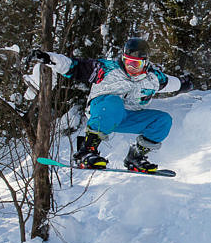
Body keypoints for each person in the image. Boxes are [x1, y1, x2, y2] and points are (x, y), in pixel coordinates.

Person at [32, 37, 181, 171]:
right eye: (128, 63)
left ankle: (135, 157)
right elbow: (74, 66)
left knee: (163, 120)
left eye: (136, 64)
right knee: (113, 102)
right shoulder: (106, 69)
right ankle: (86, 150)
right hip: (103, 110)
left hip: (127, 117)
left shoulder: (154, 78)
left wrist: (187, 84)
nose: (132, 68)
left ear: (145, 62)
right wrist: (49, 58)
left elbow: (174, 84)